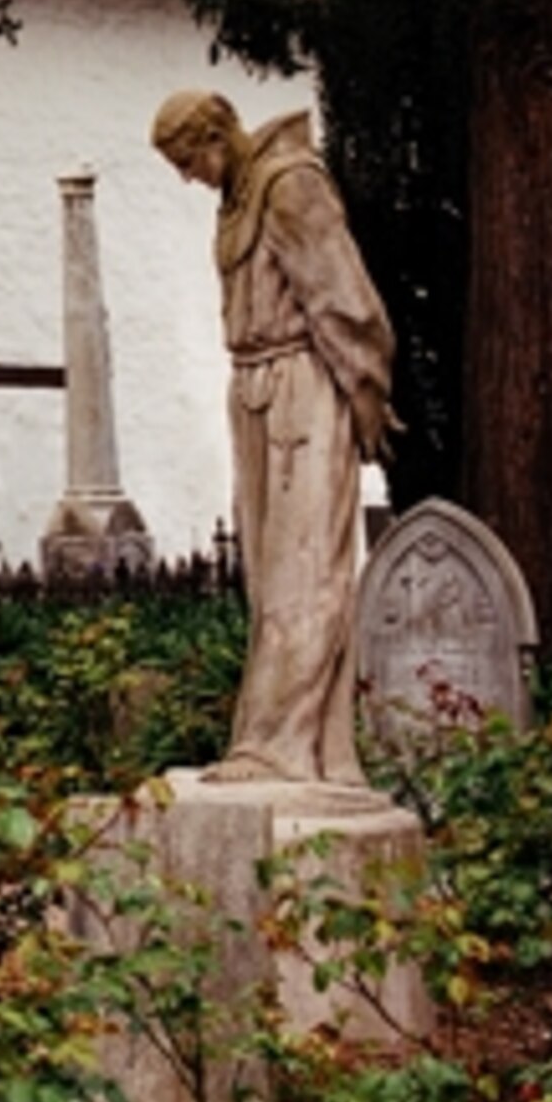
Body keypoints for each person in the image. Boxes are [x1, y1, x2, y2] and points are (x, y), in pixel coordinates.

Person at [150, 91, 396, 787]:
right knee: (269, 575)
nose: (186, 174)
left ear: (217, 134)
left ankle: (285, 748)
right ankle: (296, 747)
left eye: (187, 157)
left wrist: (366, 389)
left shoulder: (290, 185)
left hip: (306, 382)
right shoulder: (237, 196)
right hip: (254, 385)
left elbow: (346, 299)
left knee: (307, 564)